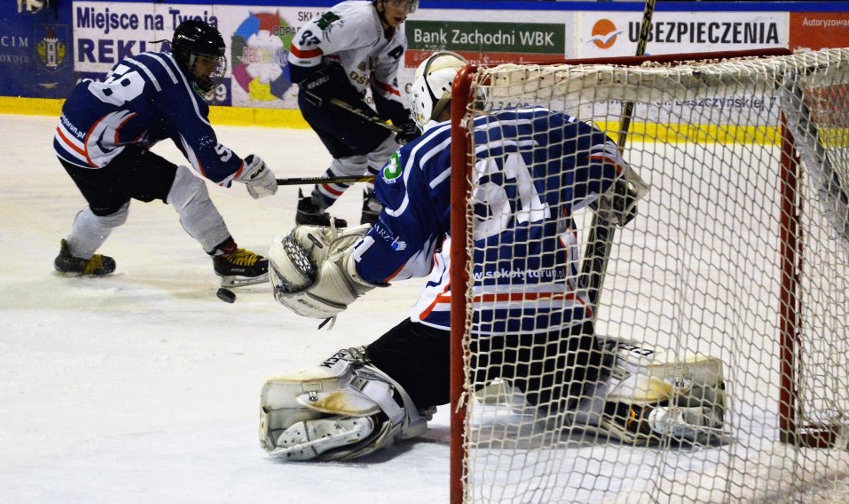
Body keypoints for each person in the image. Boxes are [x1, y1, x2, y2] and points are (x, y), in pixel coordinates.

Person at [259, 52, 726, 461]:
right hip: (557, 325)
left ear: (424, 104)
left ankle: (372, 405)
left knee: (367, 372)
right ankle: (621, 390)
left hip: (461, 327)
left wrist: (345, 271)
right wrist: (609, 193)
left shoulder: (421, 155)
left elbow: (398, 256)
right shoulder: (553, 127)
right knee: (578, 370)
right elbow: (612, 171)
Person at [53, 19, 278, 287]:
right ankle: (227, 259)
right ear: (186, 56)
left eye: (215, 62)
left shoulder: (154, 58)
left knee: (110, 210)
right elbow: (207, 158)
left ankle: (73, 257)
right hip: (97, 150)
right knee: (185, 186)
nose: (211, 69)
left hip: (67, 137)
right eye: (206, 61)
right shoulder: (177, 91)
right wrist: (247, 171)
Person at [287, 0, 421, 228]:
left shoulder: (397, 38)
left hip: (336, 99)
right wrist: (310, 78)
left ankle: (312, 210)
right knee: (387, 149)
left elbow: (383, 83)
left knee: (351, 162)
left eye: (407, 3)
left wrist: (402, 117)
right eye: (396, 2)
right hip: (324, 97)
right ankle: (376, 211)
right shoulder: (359, 19)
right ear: (380, 0)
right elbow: (303, 42)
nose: (402, 10)